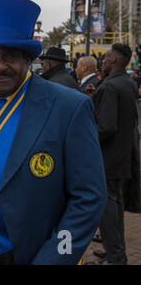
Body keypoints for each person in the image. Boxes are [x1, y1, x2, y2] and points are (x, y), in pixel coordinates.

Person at [0, 0, 107, 265]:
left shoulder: (69, 107)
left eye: (11, 56)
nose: (0, 66)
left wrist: (53, 259)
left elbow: (89, 199)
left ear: (28, 60)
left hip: (32, 256)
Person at [87, 44, 139, 265]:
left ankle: (115, 257)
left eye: (107, 58)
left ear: (115, 60)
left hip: (107, 159)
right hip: (122, 157)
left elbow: (106, 127)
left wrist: (86, 143)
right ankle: (115, 253)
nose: (103, 61)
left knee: (107, 210)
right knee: (115, 208)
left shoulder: (111, 86)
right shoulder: (127, 83)